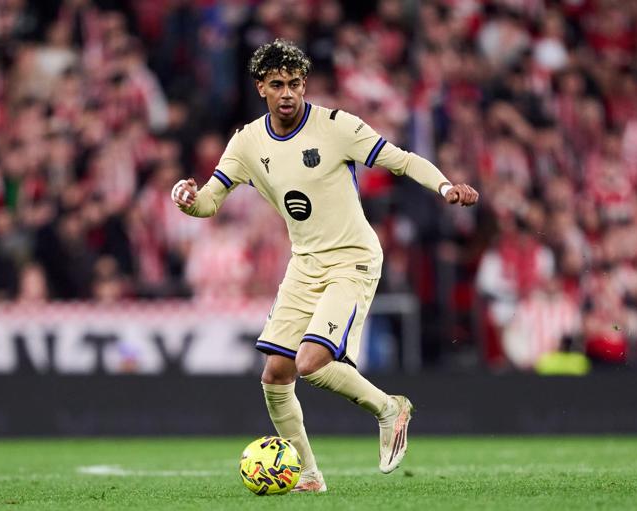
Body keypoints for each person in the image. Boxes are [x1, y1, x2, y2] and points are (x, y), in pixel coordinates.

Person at [171, 39, 479, 492]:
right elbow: (210, 201)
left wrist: (445, 186)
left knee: (311, 363)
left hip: (352, 259)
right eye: (277, 85)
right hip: (305, 263)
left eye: (295, 83)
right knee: (275, 375)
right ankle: (310, 476)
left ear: (304, 84)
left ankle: (390, 408)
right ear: (261, 87)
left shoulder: (337, 126)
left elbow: (402, 159)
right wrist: (188, 200)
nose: (288, 93)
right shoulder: (247, 142)